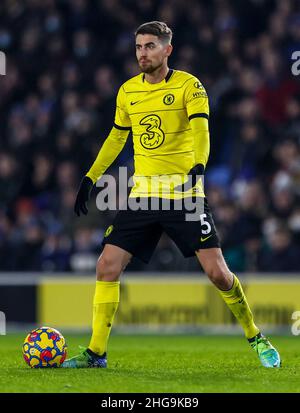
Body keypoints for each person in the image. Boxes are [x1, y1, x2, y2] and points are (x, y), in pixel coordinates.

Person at [62, 21, 280, 369]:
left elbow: (201, 130)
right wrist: (90, 178)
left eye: (149, 46)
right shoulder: (127, 91)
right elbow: (118, 138)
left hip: (184, 196)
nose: (142, 53)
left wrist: (199, 165)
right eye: (138, 47)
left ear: (167, 49)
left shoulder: (189, 86)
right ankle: (96, 353)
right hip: (143, 196)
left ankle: (256, 335)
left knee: (218, 274)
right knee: (106, 266)